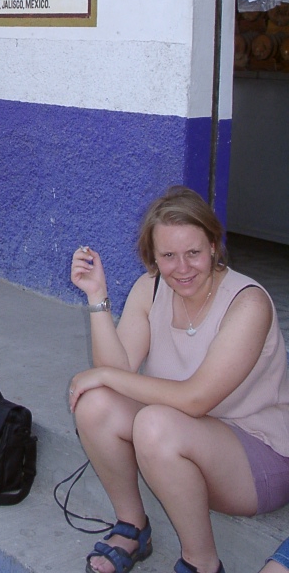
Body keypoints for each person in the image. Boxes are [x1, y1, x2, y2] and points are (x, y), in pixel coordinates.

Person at [69, 186, 289, 573]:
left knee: (155, 424)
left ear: (214, 246)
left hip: (258, 455)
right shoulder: (150, 287)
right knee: (95, 404)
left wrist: (103, 374)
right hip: (184, 438)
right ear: (152, 256)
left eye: (194, 253)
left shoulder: (248, 303)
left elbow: (195, 401)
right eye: (168, 255)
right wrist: (97, 297)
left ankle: (202, 563)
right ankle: (132, 527)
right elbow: (113, 377)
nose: (182, 268)